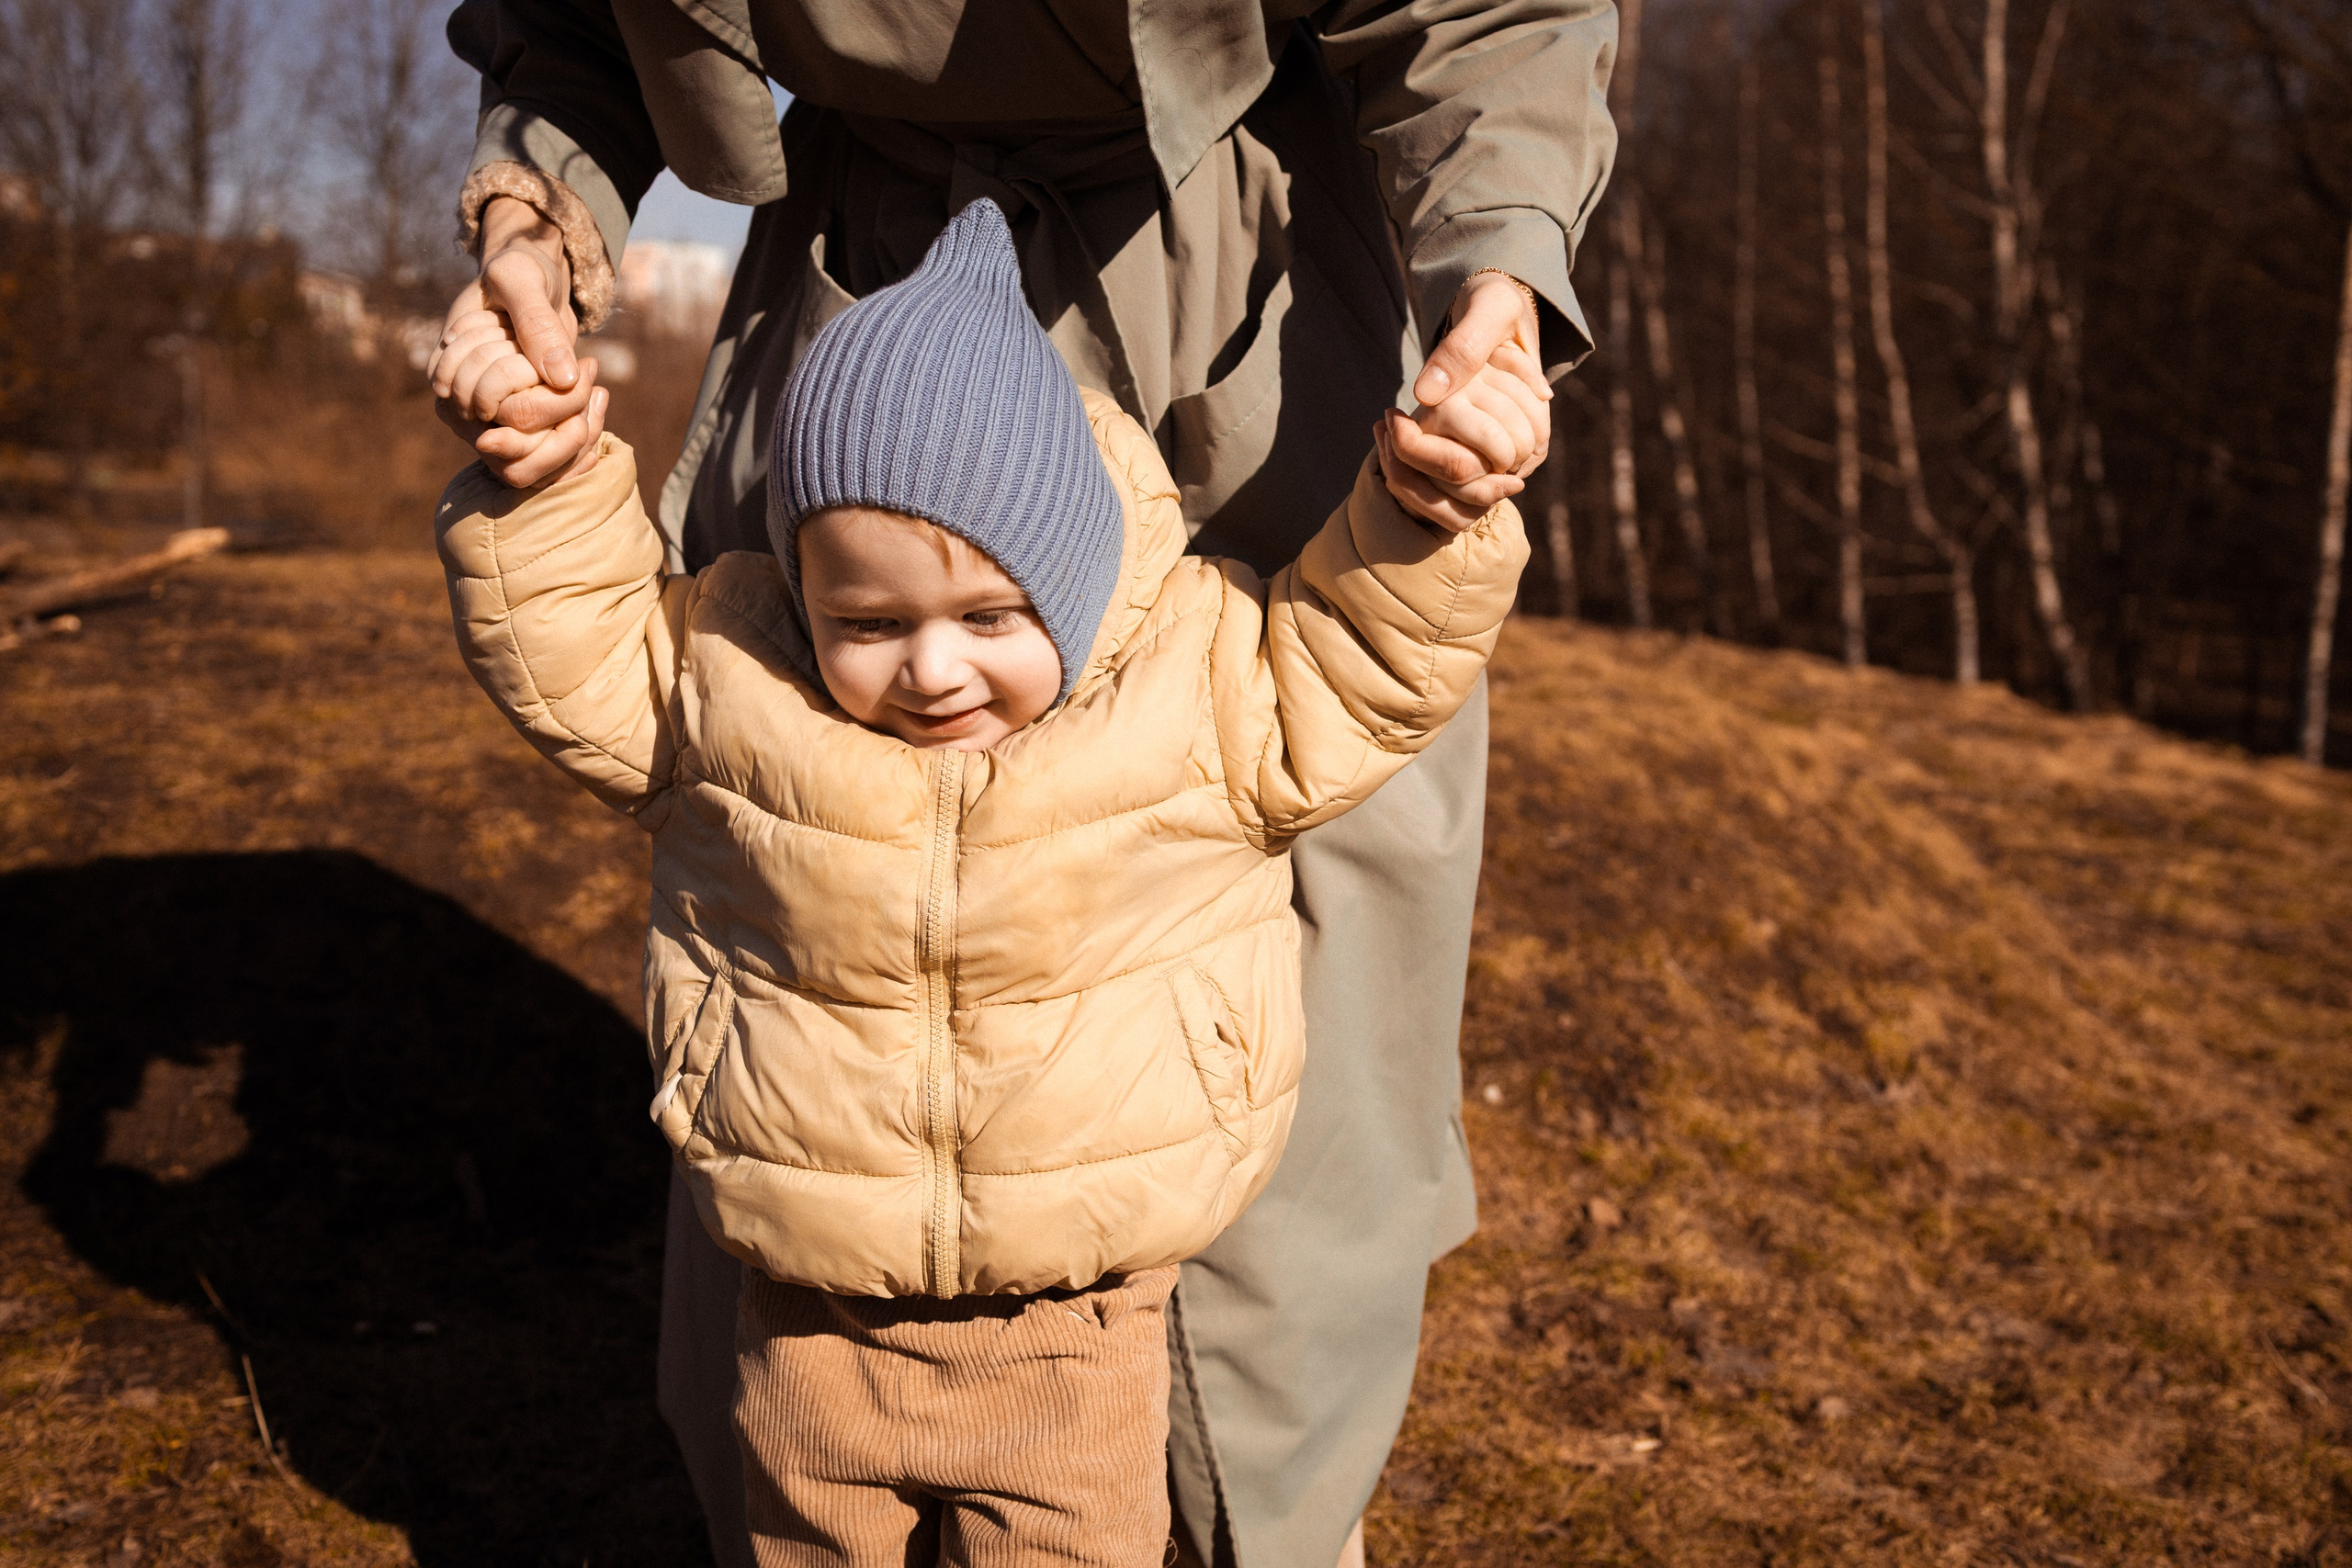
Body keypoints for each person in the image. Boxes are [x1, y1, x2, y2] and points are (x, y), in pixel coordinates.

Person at [427, 6, 1616, 1564]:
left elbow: (1352, 668)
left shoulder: (1212, 681)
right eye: (877, 629)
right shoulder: (738, 673)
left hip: (1238, 277)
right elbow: (597, 661)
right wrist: (539, 282)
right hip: (856, 285)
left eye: (988, 625)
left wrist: (1453, 429)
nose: (934, 672)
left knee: (1291, 953)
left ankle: (1256, 1519)